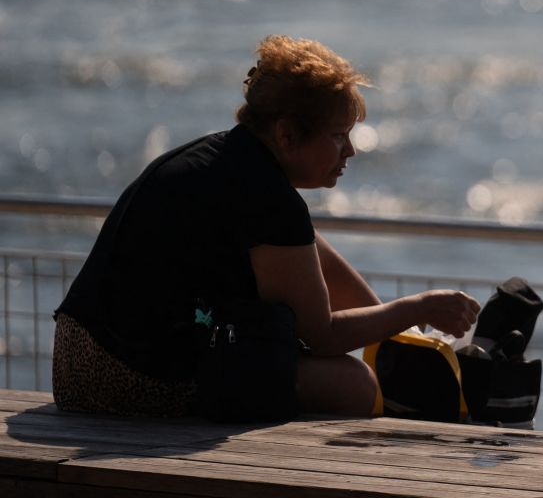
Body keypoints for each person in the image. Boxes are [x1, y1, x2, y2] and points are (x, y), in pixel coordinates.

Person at [53, 35, 481, 418]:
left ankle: (402, 349)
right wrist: (419, 307)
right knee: (352, 384)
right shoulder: (270, 200)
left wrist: (394, 334)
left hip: (75, 358)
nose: (351, 150)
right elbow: (322, 336)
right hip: (123, 377)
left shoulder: (228, 159)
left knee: (307, 276)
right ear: (287, 135)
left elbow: (306, 250)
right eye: (337, 136)